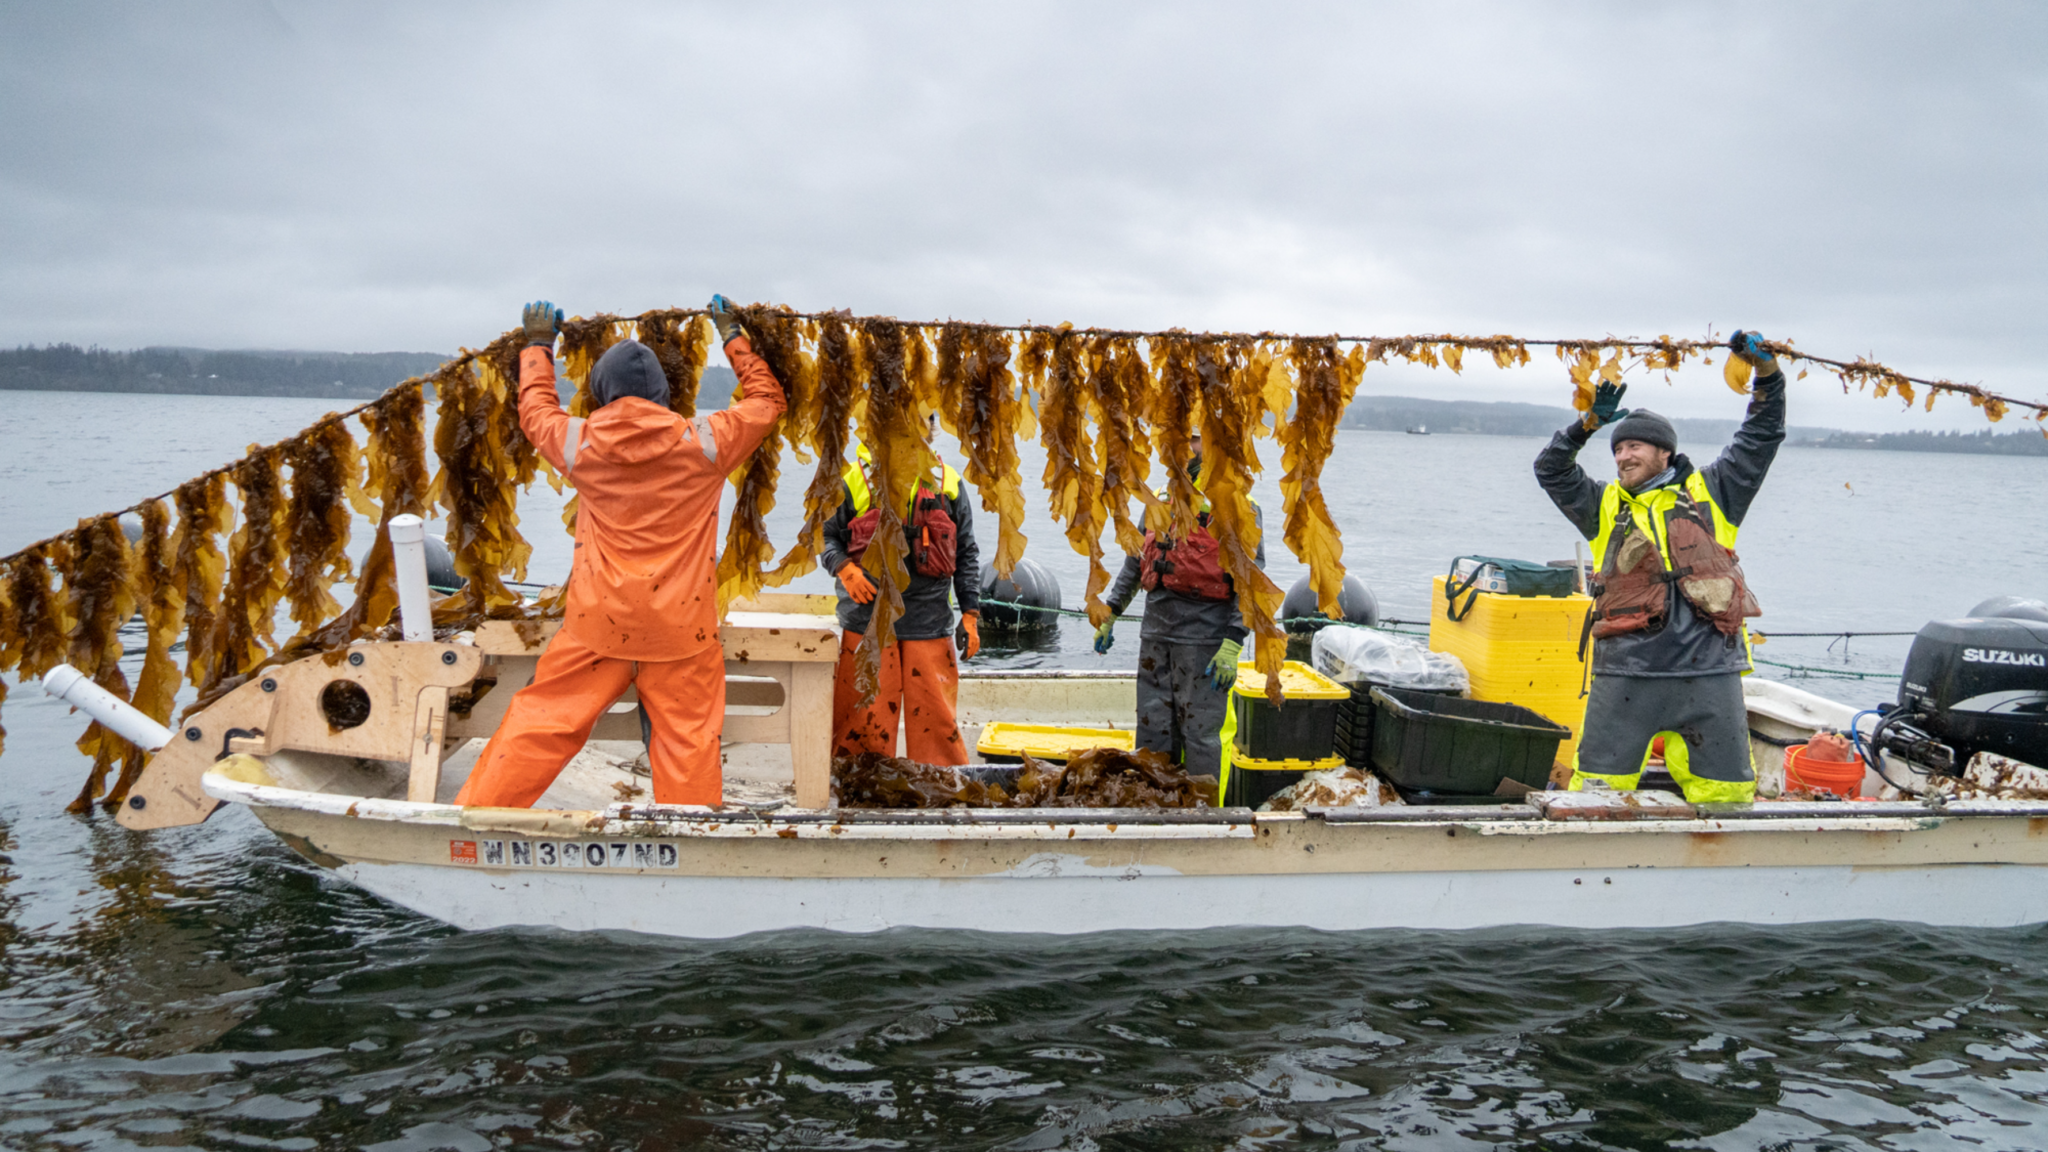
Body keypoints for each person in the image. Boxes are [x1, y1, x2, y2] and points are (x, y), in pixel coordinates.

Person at [455, 296, 786, 808]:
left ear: (602, 393)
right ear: (663, 394)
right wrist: (733, 337)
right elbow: (766, 401)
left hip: (597, 626)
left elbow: (535, 409)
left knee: (541, 725)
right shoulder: (706, 442)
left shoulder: (579, 442)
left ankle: (476, 818)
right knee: (688, 745)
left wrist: (538, 345)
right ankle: (692, 841)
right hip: (682, 631)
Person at [1534, 331, 1786, 804]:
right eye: (1618, 449)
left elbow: (1761, 437)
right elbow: (1551, 469)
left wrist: (1768, 375)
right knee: (1599, 795)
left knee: (1725, 796)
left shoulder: (1716, 494)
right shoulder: (1603, 506)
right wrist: (1586, 426)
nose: (1624, 456)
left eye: (1635, 447)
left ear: (1665, 453)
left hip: (1709, 672)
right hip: (1626, 673)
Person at [1094, 435, 1264, 779]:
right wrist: (1111, 612)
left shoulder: (1239, 504)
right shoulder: (1159, 499)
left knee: (1200, 736)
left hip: (1205, 643)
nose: (1188, 449)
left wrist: (1233, 643)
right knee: (1153, 732)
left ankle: (1204, 819)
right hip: (1156, 636)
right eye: (1184, 439)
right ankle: (1156, 812)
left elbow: (1252, 583)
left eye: (1198, 441)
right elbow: (1136, 560)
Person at [820, 415, 982, 763]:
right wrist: (844, 568)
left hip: (929, 621)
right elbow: (826, 536)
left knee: (938, 724)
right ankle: (858, 793)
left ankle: (941, 792)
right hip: (866, 623)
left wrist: (970, 613)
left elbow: (967, 550)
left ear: (929, 429)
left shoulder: (947, 482)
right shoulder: (851, 479)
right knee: (862, 726)